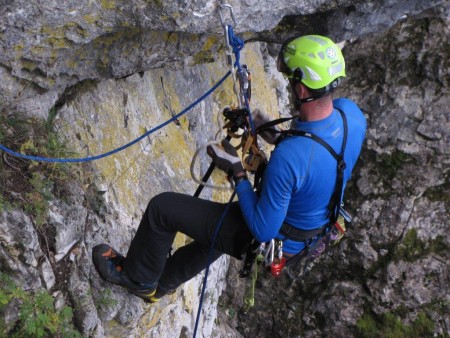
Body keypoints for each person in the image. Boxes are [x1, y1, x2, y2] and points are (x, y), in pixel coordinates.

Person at [92, 35, 367, 303]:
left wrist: (236, 170)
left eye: (290, 80)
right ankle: (162, 284)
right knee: (218, 227)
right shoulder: (350, 116)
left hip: (273, 239)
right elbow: (318, 157)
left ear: (302, 90)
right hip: (308, 230)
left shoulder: (291, 158)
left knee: (162, 210)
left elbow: (262, 229)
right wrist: (271, 132)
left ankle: (137, 279)